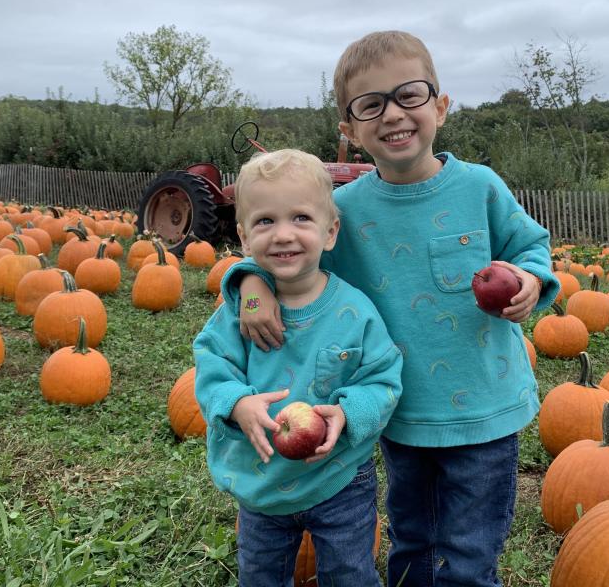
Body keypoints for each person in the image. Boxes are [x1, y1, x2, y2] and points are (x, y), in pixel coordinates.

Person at [226, 31, 560, 587]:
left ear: (441, 106)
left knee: (469, 556)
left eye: (410, 95)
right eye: (370, 104)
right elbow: (287, 258)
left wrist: (528, 277)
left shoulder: (480, 187)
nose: (393, 114)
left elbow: (531, 246)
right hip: (400, 418)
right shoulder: (344, 210)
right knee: (413, 541)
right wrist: (252, 289)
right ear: (350, 131)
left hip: (486, 409)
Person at [193, 148, 403, 587]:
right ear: (245, 239)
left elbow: (383, 378)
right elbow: (212, 364)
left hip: (339, 477)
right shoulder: (241, 311)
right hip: (262, 478)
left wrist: (347, 413)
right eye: (265, 221)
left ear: (331, 232)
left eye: (301, 219)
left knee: (350, 574)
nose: (283, 234)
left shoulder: (355, 311)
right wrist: (236, 404)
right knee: (260, 575)